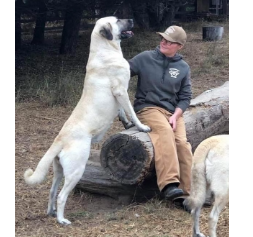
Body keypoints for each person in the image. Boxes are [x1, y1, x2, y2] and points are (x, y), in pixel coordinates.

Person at [128, 25, 193, 212]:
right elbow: (123, 71)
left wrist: (176, 115)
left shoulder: (183, 67)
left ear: (179, 46)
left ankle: (185, 195)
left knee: (182, 144)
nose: (163, 42)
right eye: (163, 38)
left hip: (172, 112)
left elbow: (185, 96)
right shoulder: (145, 58)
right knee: (164, 132)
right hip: (147, 108)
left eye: (169, 41)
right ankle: (169, 184)